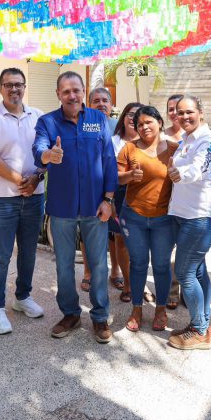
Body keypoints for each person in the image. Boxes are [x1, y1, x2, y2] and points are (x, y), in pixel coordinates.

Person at [33, 72, 118, 343]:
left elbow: (109, 159)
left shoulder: (97, 120)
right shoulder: (47, 122)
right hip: (62, 208)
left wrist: (109, 200)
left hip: (95, 206)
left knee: (99, 265)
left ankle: (100, 316)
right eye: (66, 91)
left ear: (83, 92)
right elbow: (39, 149)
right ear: (58, 94)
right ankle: (70, 313)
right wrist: (48, 155)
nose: (72, 95)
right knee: (64, 265)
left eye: (76, 90)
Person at [0, 68, 46, 334]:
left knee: (28, 251)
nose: (14, 89)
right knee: (2, 255)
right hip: (1, 198)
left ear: (24, 87)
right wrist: (20, 180)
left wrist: (37, 178)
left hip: (34, 196)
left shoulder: (38, 116)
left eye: (18, 84)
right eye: (8, 85)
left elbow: (47, 153)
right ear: (0, 88)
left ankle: (22, 297)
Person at [167, 95, 211, 350]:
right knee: (198, 271)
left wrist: (180, 173)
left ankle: (199, 330)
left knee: (184, 273)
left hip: (200, 217)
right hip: (185, 215)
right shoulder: (186, 140)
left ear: (201, 112)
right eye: (179, 113)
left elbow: (200, 167)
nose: (184, 116)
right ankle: (202, 324)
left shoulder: (209, 139)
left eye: (189, 111)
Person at [117, 106, 179, 332]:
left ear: (160, 123)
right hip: (134, 216)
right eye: (139, 124)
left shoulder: (174, 148)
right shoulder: (129, 148)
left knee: (161, 265)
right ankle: (137, 308)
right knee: (138, 263)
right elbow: (116, 177)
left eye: (148, 122)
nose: (143, 127)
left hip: (164, 219)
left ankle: (160, 309)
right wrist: (129, 175)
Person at [103, 102, 141, 303]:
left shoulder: (150, 141)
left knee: (142, 243)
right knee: (121, 240)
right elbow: (107, 172)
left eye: (139, 115)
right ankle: (128, 285)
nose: (134, 118)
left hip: (144, 195)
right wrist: (109, 199)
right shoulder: (112, 141)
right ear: (124, 116)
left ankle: (139, 283)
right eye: (130, 114)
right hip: (118, 193)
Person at [87, 86, 123, 288]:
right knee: (87, 232)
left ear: (111, 105)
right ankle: (88, 271)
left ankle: (115, 270)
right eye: (96, 101)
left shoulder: (118, 126)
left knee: (114, 232)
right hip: (91, 187)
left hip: (114, 187)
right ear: (89, 104)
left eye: (105, 101)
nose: (101, 104)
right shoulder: (84, 124)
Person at [162, 94, 184, 308]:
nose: (175, 113)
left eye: (179, 108)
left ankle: (189, 290)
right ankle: (171, 291)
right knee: (169, 247)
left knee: (189, 246)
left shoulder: (195, 135)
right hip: (166, 197)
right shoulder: (161, 135)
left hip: (190, 199)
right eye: (171, 109)